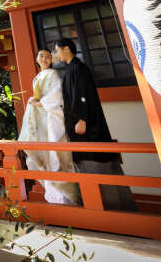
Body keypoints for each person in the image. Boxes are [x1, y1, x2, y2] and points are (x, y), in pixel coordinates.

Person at [53, 38, 137, 211]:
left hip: (86, 126)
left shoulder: (79, 69)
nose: (56, 54)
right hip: (78, 125)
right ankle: (99, 207)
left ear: (66, 49)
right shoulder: (71, 69)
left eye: (57, 50)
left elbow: (83, 96)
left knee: (96, 162)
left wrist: (82, 118)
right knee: (87, 163)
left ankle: (112, 209)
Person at [17, 49, 80, 205]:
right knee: (40, 156)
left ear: (51, 59)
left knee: (55, 155)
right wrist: (35, 102)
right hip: (40, 119)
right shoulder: (37, 77)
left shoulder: (53, 74)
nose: (44, 58)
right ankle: (53, 196)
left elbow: (57, 93)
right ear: (37, 59)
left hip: (52, 117)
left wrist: (40, 103)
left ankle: (64, 197)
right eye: (41, 56)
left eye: (48, 56)